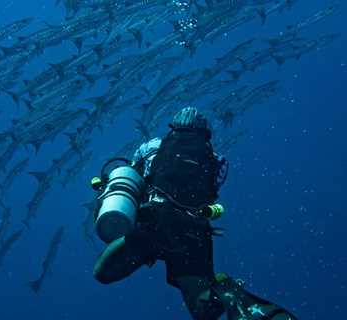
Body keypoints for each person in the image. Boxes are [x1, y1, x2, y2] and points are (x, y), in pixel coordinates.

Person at [92, 107, 295, 320]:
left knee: (102, 272)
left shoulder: (152, 147)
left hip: (157, 222)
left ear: (174, 125)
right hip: (194, 231)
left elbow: (134, 182)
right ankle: (230, 291)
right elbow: (211, 194)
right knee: (202, 307)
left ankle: (225, 291)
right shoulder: (217, 159)